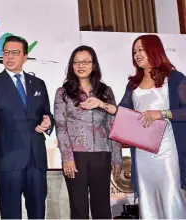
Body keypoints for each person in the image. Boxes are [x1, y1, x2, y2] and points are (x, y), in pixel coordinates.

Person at [80, 34, 186, 219]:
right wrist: (100, 104)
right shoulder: (134, 83)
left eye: (141, 49)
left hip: (168, 150)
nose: (137, 54)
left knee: (171, 194)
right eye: (134, 51)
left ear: (154, 50)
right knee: (147, 196)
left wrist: (162, 113)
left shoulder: (175, 78)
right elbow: (123, 112)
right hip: (142, 151)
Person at [0, 35, 54, 219]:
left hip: (36, 158)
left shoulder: (38, 83)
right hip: (8, 159)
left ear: (25, 56)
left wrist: (48, 123)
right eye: (6, 52)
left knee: (38, 211)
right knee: (10, 213)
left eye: (15, 53)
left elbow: (46, 113)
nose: (9, 57)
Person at [53, 45, 122, 219]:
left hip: (102, 153)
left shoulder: (105, 92)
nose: (81, 66)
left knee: (102, 207)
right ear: (71, 65)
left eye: (85, 62)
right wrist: (67, 157)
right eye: (76, 62)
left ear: (94, 65)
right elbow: (61, 126)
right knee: (78, 207)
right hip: (76, 156)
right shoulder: (63, 93)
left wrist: (116, 157)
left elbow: (114, 124)